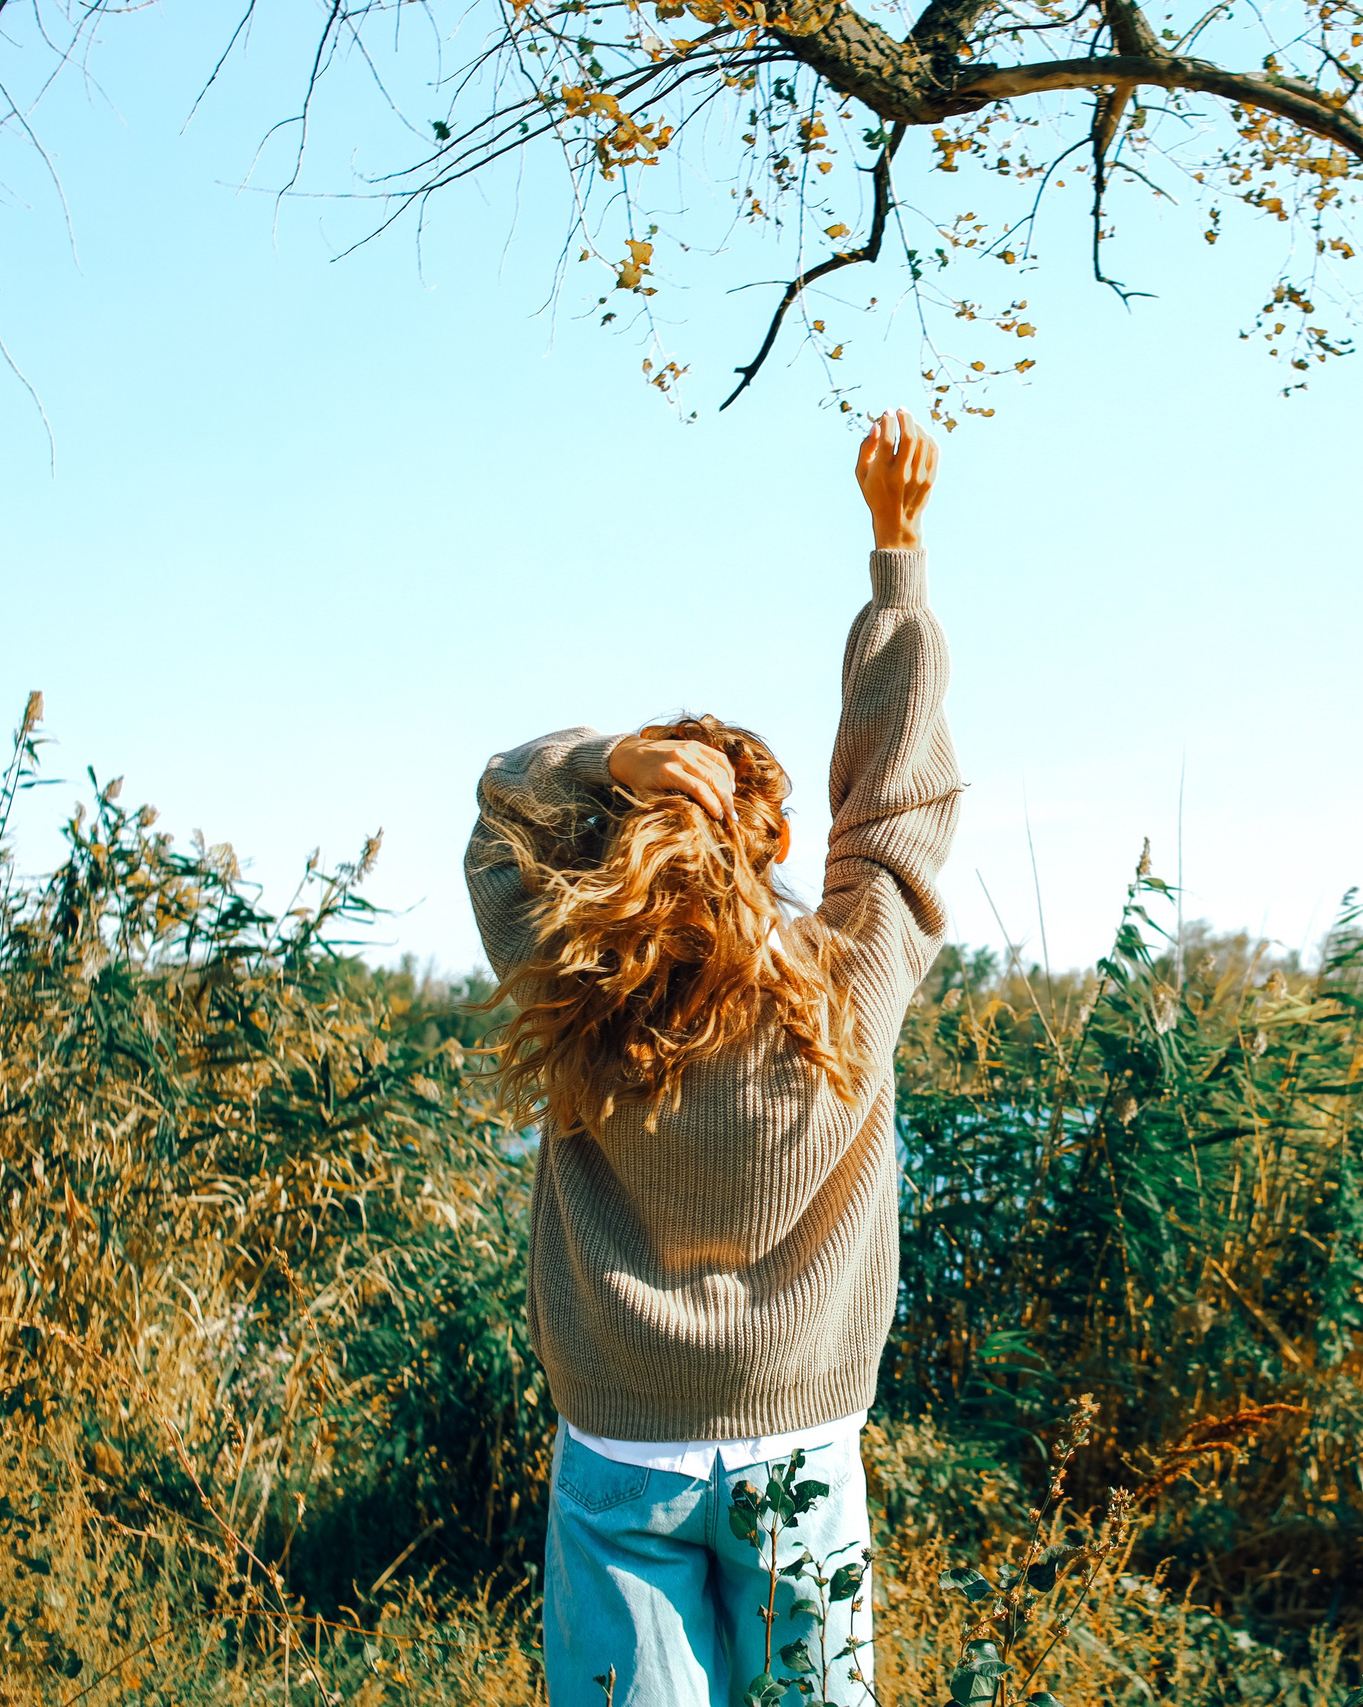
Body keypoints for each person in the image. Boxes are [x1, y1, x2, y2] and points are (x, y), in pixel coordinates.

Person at [464, 410, 955, 1707]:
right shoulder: (848, 983)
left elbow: (497, 806)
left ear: (622, 838)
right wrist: (895, 551)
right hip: (802, 1438)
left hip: (624, 1443)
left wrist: (607, 764)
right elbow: (895, 812)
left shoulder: (576, 981)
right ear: (771, 841)